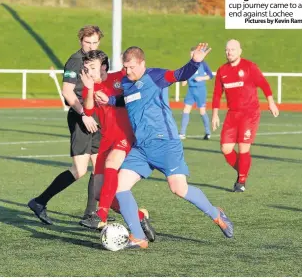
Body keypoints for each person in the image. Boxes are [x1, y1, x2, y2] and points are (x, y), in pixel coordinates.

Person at [98, 44, 234, 249]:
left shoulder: (156, 76)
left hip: (165, 144)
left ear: (142, 63)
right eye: (125, 67)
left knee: (179, 189)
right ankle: (138, 237)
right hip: (142, 148)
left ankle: (216, 214)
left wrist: (195, 61)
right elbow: (125, 99)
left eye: (132, 67)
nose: (127, 71)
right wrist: (108, 99)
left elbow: (180, 74)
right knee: (120, 187)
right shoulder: (126, 82)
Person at [28, 25, 110, 224]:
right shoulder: (75, 61)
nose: (91, 46)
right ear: (80, 41)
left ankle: (91, 214)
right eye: (87, 42)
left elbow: (105, 79)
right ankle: (39, 202)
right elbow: (67, 92)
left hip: (98, 116)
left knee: (100, 165)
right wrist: (84, 114)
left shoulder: (101, 57)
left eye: (95, 42)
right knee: (79, 170)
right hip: (81, 116)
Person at [77, 50, 156, 242]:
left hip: (125, 134)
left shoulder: (119, 77)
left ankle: (101, 216)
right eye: (87, 68)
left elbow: (137, 80)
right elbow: (88, 110)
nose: (89, 71)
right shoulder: (90, 87)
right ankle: (139, 217)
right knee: (98, 192)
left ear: (104, 66)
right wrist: (88, 88)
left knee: (112, 163)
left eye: (93, 67)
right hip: (106, 138)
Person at [211, 39, 279, 193]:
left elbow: (264, 84)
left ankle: (241, 181)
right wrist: (215, 114)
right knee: (225, 148)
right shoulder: (222, 70)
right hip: (232, 114)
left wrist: (271, 102)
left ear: (240, 51)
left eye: (233, 49)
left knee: (243, 147)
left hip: (250, 113)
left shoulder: (249, 67)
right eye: (227, 50)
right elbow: (216, 93)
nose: (229, 52)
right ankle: (243, 170)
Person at [179, 46, 214, 140]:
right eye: (191, 54)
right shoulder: (189, 65)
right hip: (191, 90)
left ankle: (208, 132)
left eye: (194, 53)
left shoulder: (203, 64)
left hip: (200, 90)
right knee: (186, 110)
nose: (192, 55)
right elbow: (184, 78)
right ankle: (182, 133)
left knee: (202, 111)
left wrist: (201, 78)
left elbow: (210, 75)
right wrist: (184, 80)